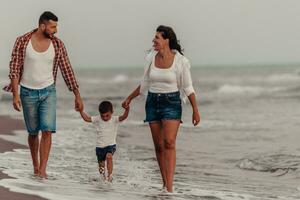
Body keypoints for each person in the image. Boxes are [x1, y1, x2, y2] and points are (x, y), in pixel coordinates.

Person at [2, 11, 83, 178]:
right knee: (33, 132)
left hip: (48, 91)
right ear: (42, 26)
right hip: (27, 91)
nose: (56, 30)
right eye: (53, 26)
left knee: (47, 130)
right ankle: (36, 166)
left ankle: (43, 170)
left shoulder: (58, 45)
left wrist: (77, 95)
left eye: (56, 26)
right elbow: (14, 69)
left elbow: (67, 70)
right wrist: (15, 95)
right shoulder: (23, 41)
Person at [122, 25, 200, 192]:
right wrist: (129, 98)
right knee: (158, 145)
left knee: (169, 142)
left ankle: (170, 187)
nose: (153, 40)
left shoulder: (180, 61)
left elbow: (188, 87)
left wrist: (195, 109)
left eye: (157, 37)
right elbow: (144, 84)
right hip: (152, 103)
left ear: (167, 40)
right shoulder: (151, 58)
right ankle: (164, 184)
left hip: (172, 103)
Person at [79, 101, 129, 181]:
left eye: (107, 116)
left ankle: (110, 177)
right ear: (100, 114)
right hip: (99, 147)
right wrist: (81, 111)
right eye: (103, 116)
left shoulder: (114, 119)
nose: (105, 118)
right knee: (101, 167)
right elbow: (87, 118)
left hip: (111, 145)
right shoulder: (97, 119)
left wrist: (127, 109)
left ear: (111, 112)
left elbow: (124, 117)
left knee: (109, 156)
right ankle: (103, 179)